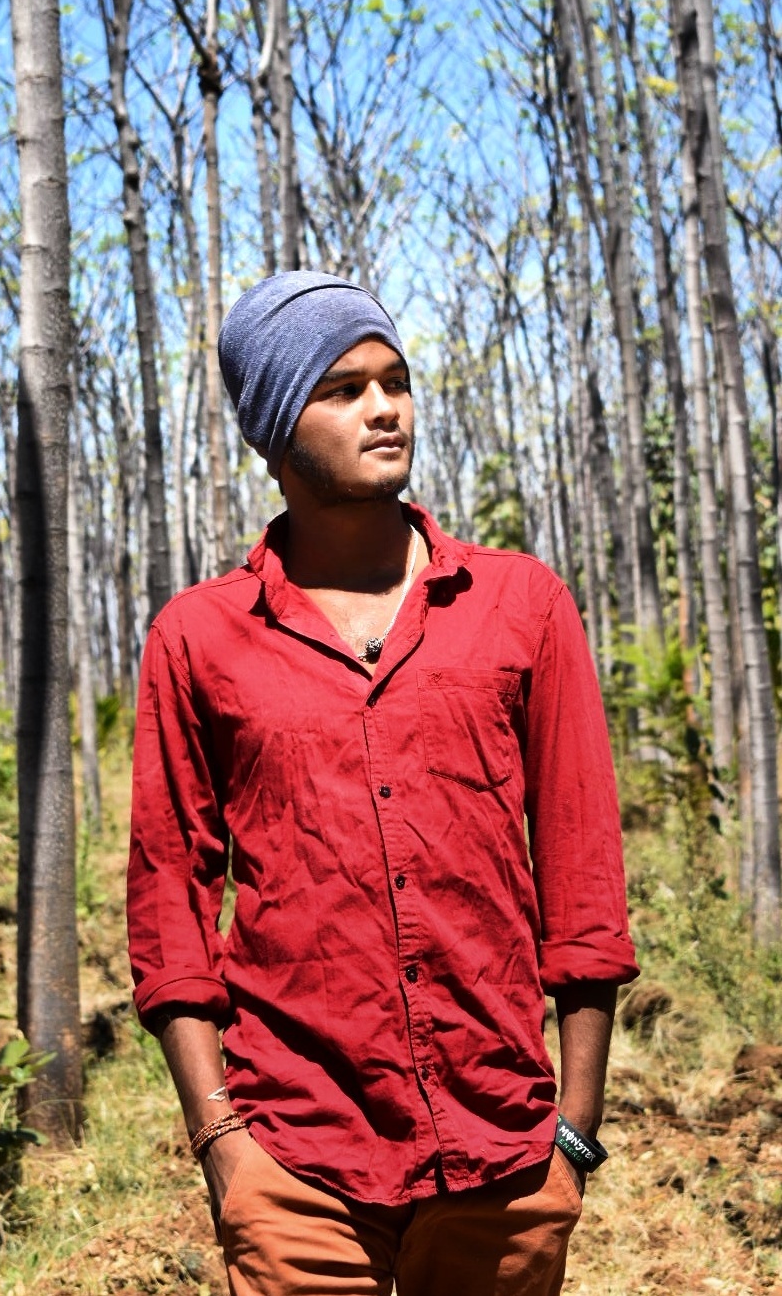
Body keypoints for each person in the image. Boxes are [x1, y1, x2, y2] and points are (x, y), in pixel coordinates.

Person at [127, 270, 639, 1296]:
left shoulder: (521, 605)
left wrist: (573, 1132)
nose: (385, 408)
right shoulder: (200, 637)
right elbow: (169, 904)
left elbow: (582, 880)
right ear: (275, 425)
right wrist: (222, 1143)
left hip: (505, 1154)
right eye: (343, 388)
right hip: (294, 1161)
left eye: (395, 380)